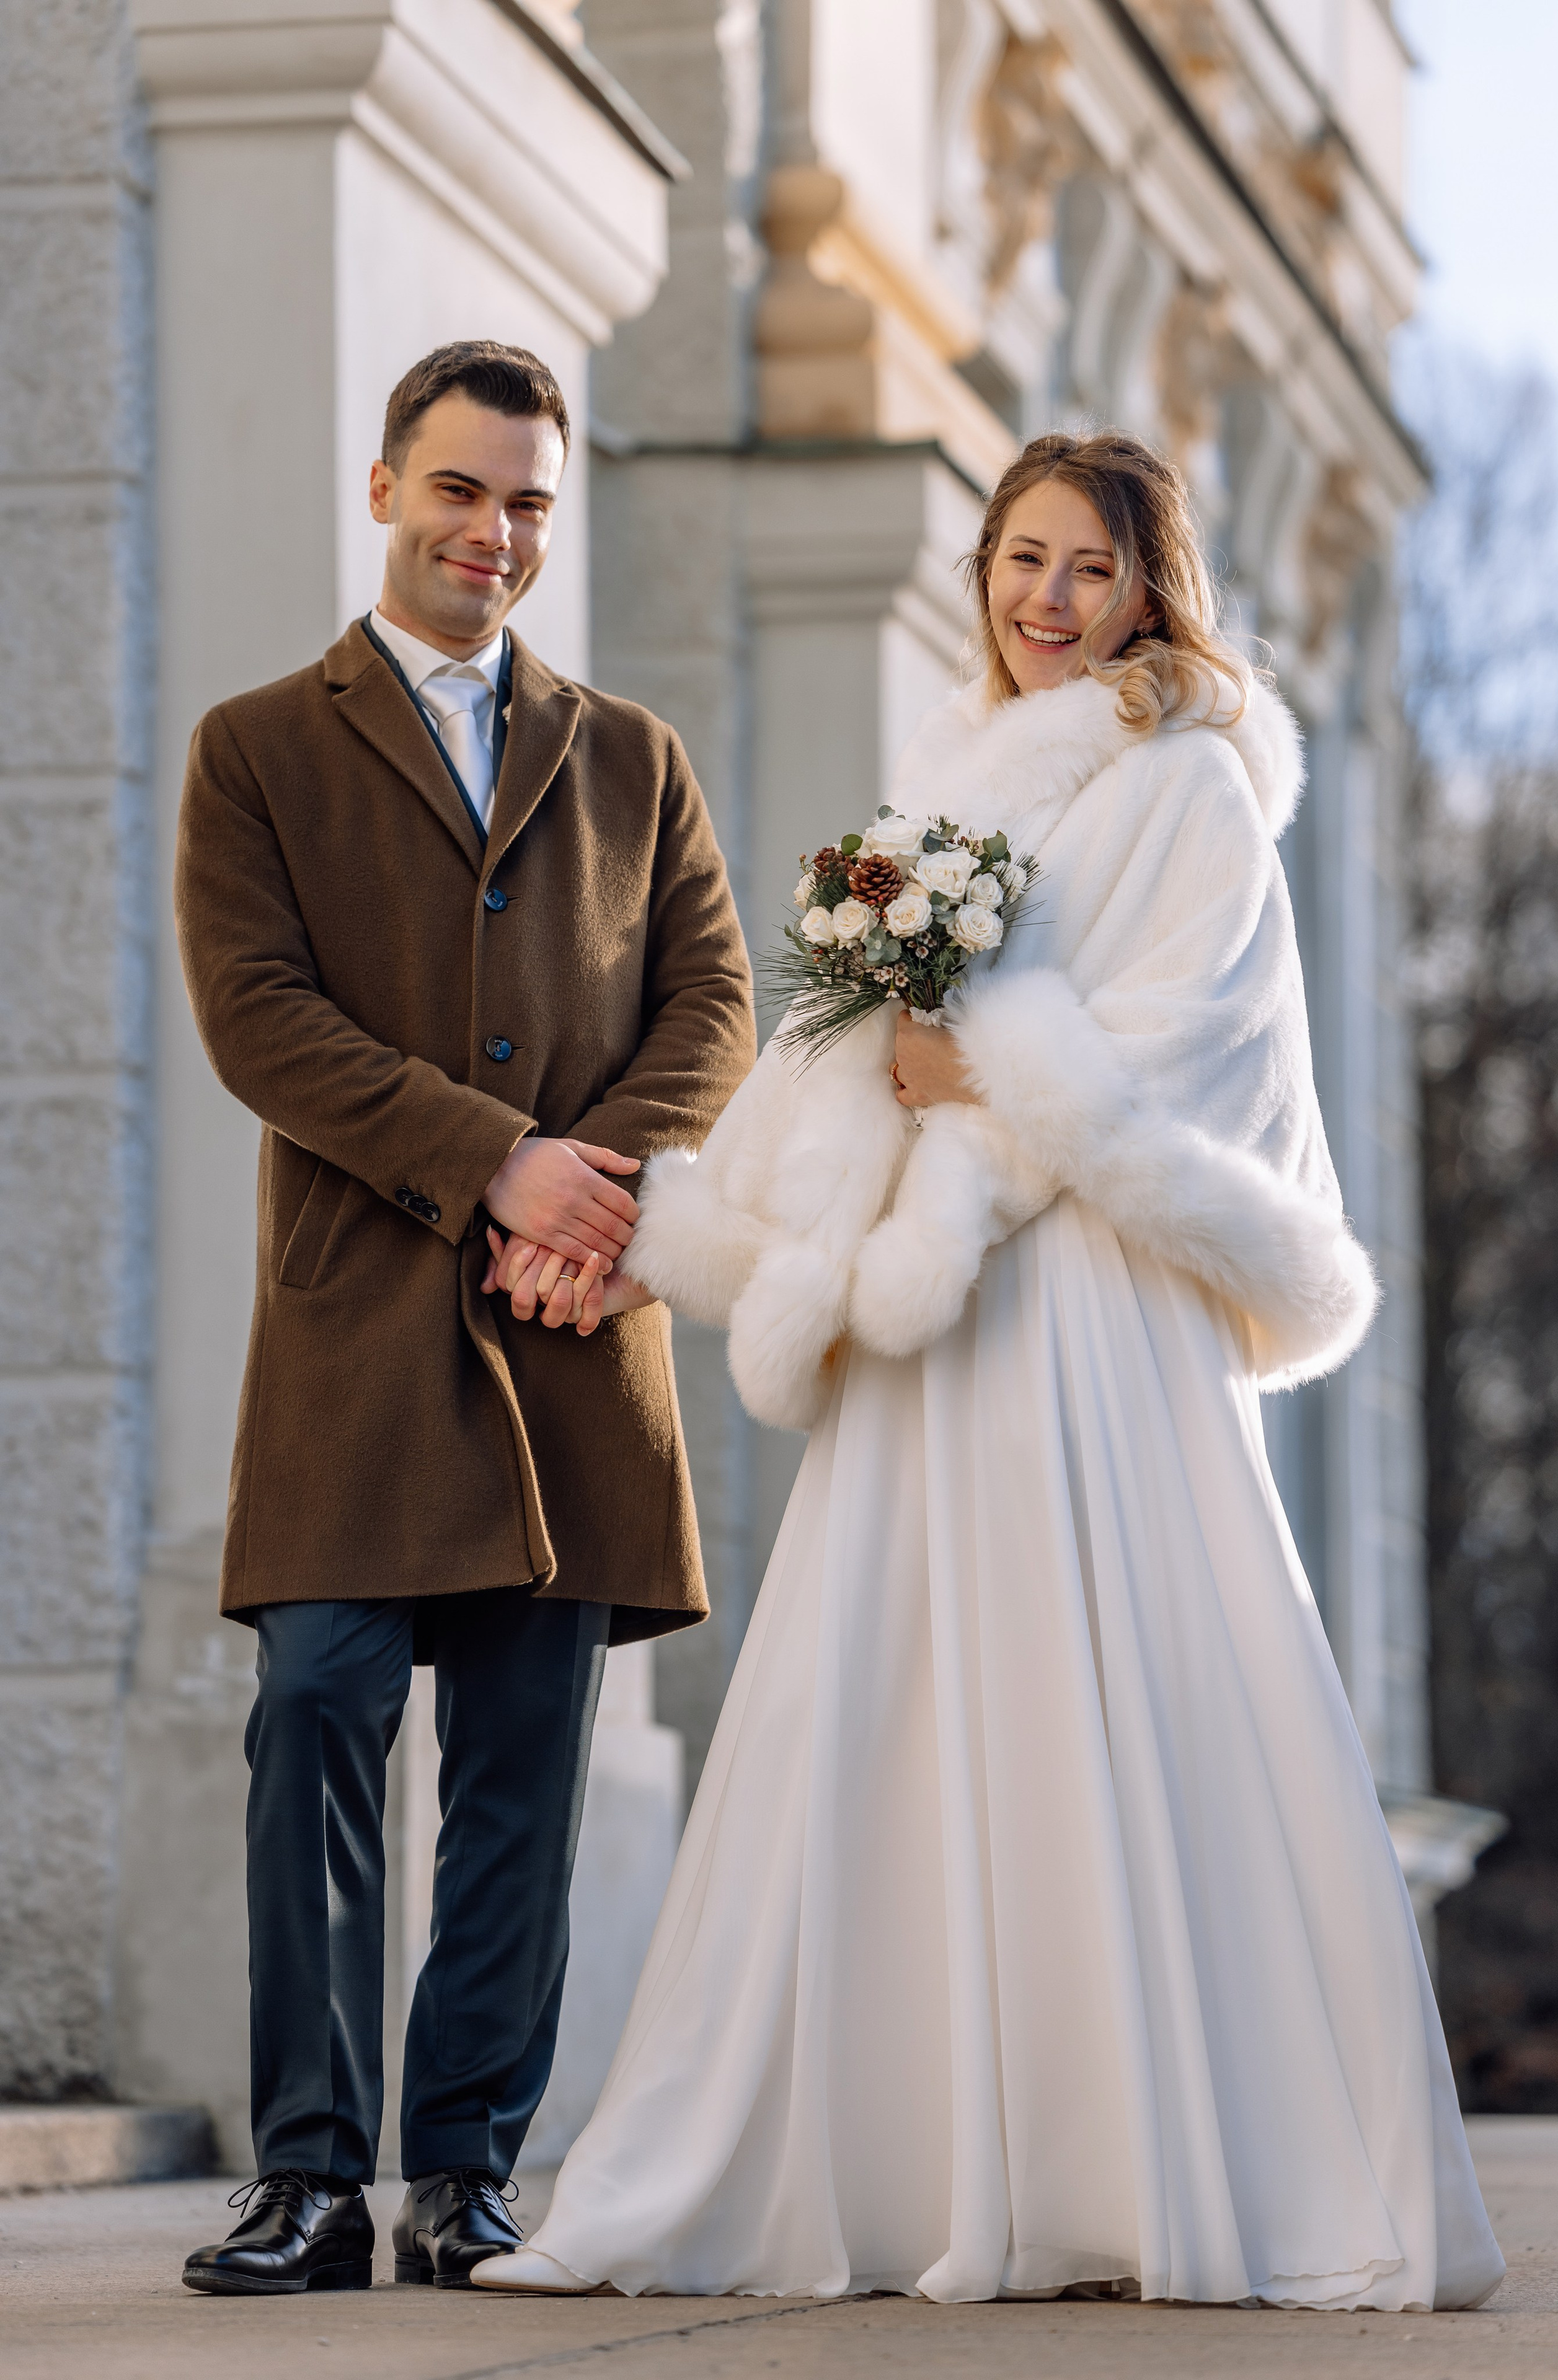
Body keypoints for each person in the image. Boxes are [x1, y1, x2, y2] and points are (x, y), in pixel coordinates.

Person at [477, 430, 1507, 2312]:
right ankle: (880, 2165)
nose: (1047, 597)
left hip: (1088, 1313)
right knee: (881, 1705)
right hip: (918, 1334)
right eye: (1021, 557)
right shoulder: (943, 795)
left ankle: (1142, 2168)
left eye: (1088, 567)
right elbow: (822, 1070)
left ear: (1147, 586)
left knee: (1106, 1692)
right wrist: (660, 1226)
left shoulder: (1191, 786)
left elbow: (1185, 1054)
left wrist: (987, 1073)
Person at [175, 341, 756, 2295]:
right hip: (353, 1331)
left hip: (574, 1331)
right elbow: (260, 1019)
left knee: (525, 1765)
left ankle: (467, 2174)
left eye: (524, 502)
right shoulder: (258, 746)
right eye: (459, 490)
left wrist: (588, 1199)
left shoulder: (634, 756)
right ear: (383, 490)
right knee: (319, 1712)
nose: (491, 534)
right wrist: (492, 1160)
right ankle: (311, 2176)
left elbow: (715, 1010)